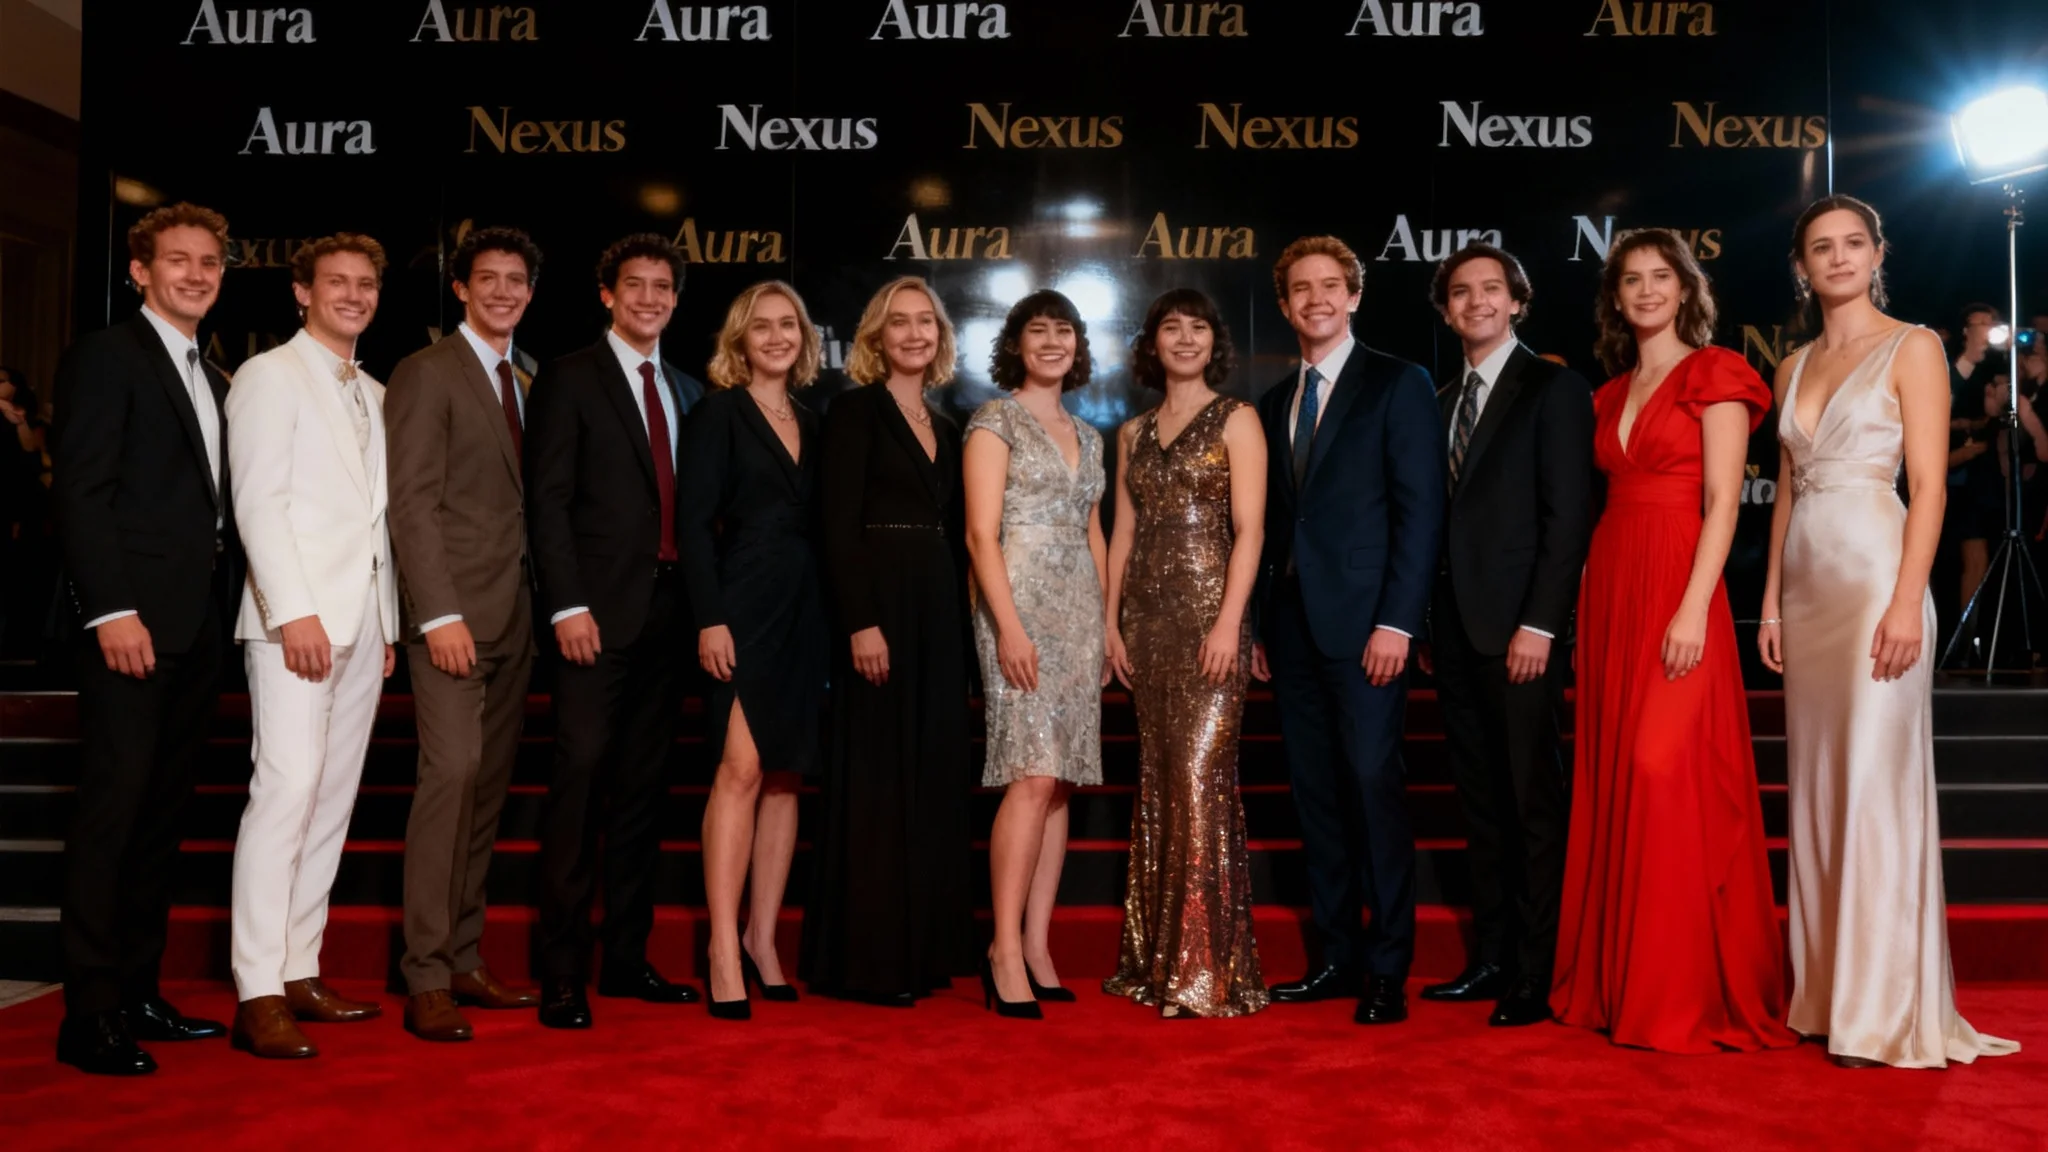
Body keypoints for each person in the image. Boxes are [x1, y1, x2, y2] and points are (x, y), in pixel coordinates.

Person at [1761, 195, 2019, 1068]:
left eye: (1852, 244)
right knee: (1820, 790)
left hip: (1878, 576)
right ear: (1801, 266)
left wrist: (1909, 599)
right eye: (1820, 248)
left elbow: (1930, 486)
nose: (1837, 258)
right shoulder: (1791, 364)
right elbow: (1789, 491)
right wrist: (1766, 603)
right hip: (1805, 588)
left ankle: (1880, 1007)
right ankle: (1828, 994)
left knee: (1874, 784)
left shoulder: (1914, 346)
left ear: (1879, 253)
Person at [1550, 227, 1794, 1054]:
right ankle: (1620, 985)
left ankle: (1680, 989)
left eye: (1662, 277)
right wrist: (1585, 600)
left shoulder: (1717, 373)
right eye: (1631, 281)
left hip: (1678, 584)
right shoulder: (1608, 392)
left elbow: (1724, 501)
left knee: (1664, 770)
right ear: (1615, 298)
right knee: (1619, 775)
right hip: (1614, 582)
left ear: (1686, 288)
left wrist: (1694, 609)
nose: (1647, 291)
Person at [50, 203, 240, 1075]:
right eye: (178, 261)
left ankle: (138, 991)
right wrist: (109, 609)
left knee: (161, 820)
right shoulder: (106, 357)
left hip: (198, 627)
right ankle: (87, 1014)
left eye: (209, 263)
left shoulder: (217, 373)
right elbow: (82, 493)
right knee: (111, 818)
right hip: (131, 625)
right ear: (139, 271)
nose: (196, 274)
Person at [1252, 237, 1444, 1026]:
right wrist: (1263, 625)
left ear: (1355, 296)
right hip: (1292, 631)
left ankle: (1386, 969)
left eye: (1332, 286)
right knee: (1317, 797)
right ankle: (1334, 958)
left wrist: (1399, 619)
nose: (1317, 299)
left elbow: (1420, 510)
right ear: (1286, 304)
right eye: (1301, 289)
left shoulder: (1400, 383)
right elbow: (1271, 526)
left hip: (1371, 629)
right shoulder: (1272, 403)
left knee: (1372, 790)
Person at [225, 233, 401, 1059]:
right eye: (336, 282)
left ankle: (300, 967)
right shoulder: (269, 375)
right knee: (285, 793)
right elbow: (258, 504)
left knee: (330, 802)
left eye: (366, 284)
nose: (353, 295)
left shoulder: (373, 386)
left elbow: (375, 526)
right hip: (295, 624)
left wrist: (389, 625)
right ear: (301, 291)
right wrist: (291, 611)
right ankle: (256, 988)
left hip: (364, 626)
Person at [526, 234, 705, 1028]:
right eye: (633, 285)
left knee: (641, 797)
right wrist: (566, 606)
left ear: (675, 299)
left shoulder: (688, 390)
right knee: (579, 787)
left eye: (662, 288)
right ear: (607, 293)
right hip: (593, 620)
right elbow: (547, 503)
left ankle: (626, 961)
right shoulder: (567, 378)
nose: (648, 299)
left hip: (670, 618)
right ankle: (561, 973)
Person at [1416, 244, 1594, 1027]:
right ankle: (1489, 958)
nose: (1477, 302)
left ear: (1517, 302)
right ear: (1446, 308)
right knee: (1480, 804)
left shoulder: (1553, 387)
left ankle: (1535, 969)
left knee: (1529, 804)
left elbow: (1568, 521)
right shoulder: (1441, 397)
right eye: (1462, 292)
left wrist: (1541, 625)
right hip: (1452, 634)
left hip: (1521, 633)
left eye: (1492, 289)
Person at [384, 227, 545, 1042]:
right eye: (488, 279)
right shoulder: (426, 372)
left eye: (517, 280)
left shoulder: (525, 377)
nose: (504, 292)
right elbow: (410, 503)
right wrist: (436, 614)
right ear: (459, 288)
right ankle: (423, 975)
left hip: (514, 617)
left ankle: (463, 956)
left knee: (484, 795)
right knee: (450, 781)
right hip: (452, 619)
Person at [799, 276, 975, 1007]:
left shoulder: (951, 423)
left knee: (929, 776)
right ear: (875, 337)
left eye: (924, 323)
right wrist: (861, 622)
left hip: (938, 610)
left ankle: (924, 952)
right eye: (898, 323)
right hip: (880, 611)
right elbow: (836, 527)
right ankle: (870, 962)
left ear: (938, 338)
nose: (912, 334)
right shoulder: (854, 411)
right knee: (877, 780)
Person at [1100, 289, 1269, 1019]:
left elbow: (1252, 530)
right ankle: (1157, 960)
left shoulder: (1238, 419)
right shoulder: (1132, 431)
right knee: (1162, 783)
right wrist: (1110, 625)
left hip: (1210, 623)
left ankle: (1205, 970)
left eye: (1198, 327)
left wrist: (1231, 624)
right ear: (1153, 343)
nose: (1185, 338)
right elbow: (1123, 536)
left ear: (1214, 342)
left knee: (1201, 780)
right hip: (1148, 628)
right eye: (1171, 327)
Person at [679, 281, 829, 1020]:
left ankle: (763, 940)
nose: (776, 337)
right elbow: (694, 526)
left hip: (807, 615)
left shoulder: (813, 417)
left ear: (804, 338)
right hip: (741, 605)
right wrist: (710, 619)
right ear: (739, 340)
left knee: (784, 779)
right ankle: (721, 949)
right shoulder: (716, 416)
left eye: (788, 326)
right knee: (738, 771)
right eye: (761, 327)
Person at [963, 289, 1108, 1019]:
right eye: (1037, 332)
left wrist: (1106, 625)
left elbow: (1094, 534)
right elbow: (981, 536)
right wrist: (1010, 627)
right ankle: (1003, 950)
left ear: (1079, 348)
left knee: (1061, 784)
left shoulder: (1091, 432)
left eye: (1065, 333)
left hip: (1079, 619)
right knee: (1031, 774)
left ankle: (1040, 943)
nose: (1052, 343)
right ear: (1016, 345)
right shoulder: (995, 421)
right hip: (1017, 613)